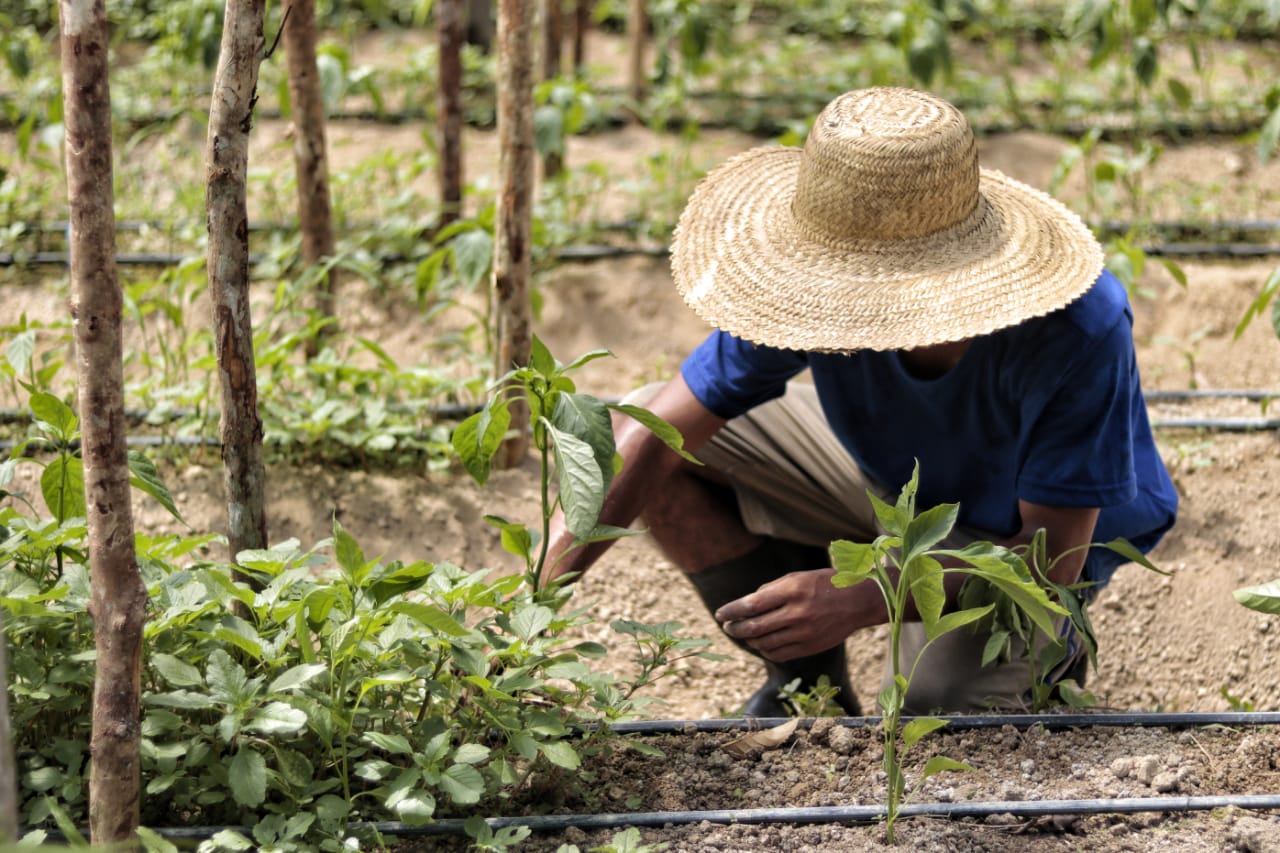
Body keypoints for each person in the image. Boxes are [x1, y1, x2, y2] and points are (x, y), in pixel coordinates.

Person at [545, 87, 1178, 717]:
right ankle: (806, 687)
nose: (843, 306)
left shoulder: (1074, 328)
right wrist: (534, 606)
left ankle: (1052, 658)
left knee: (936, 710)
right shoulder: (805, 288)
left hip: (1024, 535)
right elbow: (658, 433)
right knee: (651, 427)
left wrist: (864, 596)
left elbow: (1049, 559)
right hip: (892, 481)